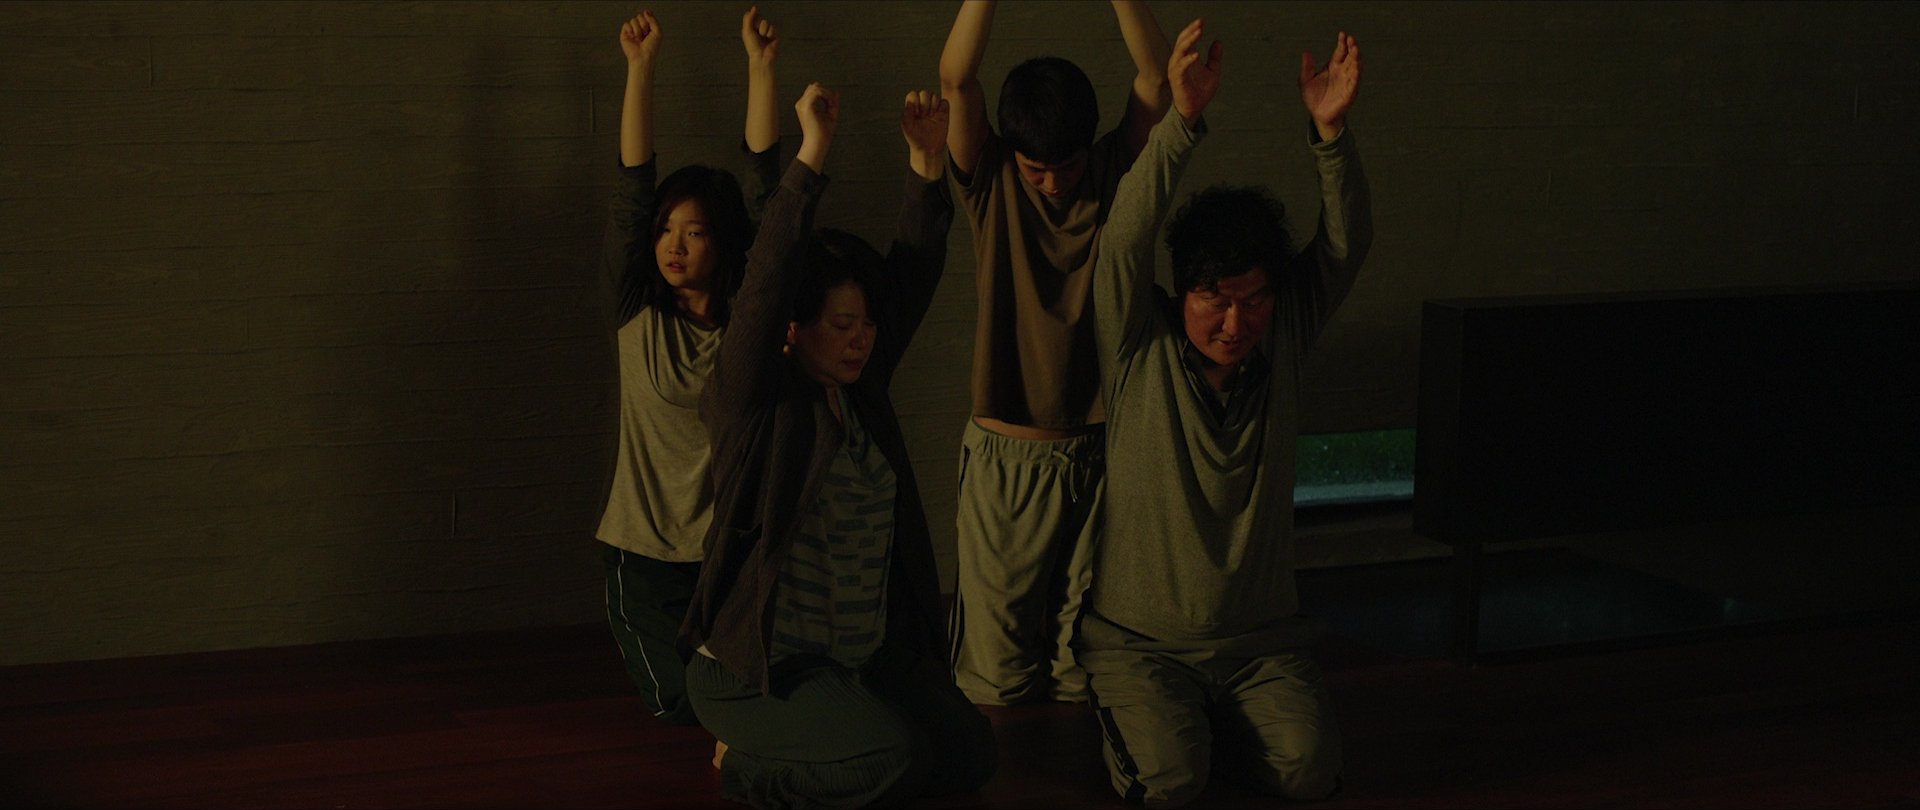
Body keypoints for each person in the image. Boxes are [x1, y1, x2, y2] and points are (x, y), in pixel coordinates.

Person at [1079, 21, 1372, 808]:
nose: (1236, 323)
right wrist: (1180, 122)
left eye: (1254, 300)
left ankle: (1217, 732)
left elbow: (1345, 246)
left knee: (1309, 772)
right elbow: (1124, 241)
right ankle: (1175, 736)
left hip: (1261, 644)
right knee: (1171, 782)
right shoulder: (1137, 341)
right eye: (1215, 299)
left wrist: (1330, 134)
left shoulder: (1284, 339)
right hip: (1141, 645)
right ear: (1184, 293)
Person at [680, 81, 997, 809]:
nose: (861, 340)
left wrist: (927, 166)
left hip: (856, 658)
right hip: (762, 667)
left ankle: (839, 737)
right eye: (842, 325)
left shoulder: (861, 392)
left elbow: (913, 271)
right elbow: (764, 287)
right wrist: (812, 155)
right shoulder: (755, 403)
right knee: (893, 760)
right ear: (794, 331)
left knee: (969, 755)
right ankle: (748, 766)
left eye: (867, 325)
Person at [938, 0, 1172, 708]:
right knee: (996, 680)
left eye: (1064, 166)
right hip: (1009, 453)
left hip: (1101, 448)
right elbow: (957, 81)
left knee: (1085, 675)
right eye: (1036, 168)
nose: (1052, 181)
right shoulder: (992, 180)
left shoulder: (1111, 170)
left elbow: (1156, 79)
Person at [594, 7, 783, 727]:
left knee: (739, 698)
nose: (673, 245)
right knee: (681, 706)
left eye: (695, 231)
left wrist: (760, 70)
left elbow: (766, 198)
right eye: (666, 230)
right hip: (641, 557)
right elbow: (631, 188)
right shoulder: (635, 309)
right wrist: (640, 70)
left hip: (723, 557)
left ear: (722, 242)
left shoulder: (746, 328)